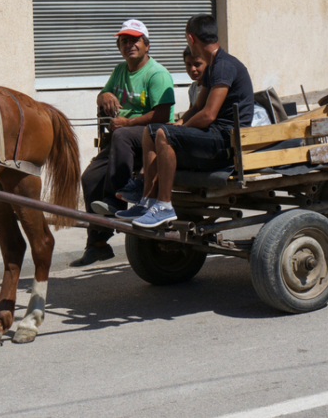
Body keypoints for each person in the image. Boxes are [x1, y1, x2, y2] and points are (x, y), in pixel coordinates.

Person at [117, 14, 254, 228]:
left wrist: (178, 130)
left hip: (226, 142)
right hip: (213, 136)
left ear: (191, 39)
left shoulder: (224, 65)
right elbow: (197, 107)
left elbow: (209, 114)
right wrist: (179, 125)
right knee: (152, 131)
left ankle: (164, 205)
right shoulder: (214, 64)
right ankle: (148, 200)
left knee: (163, 134)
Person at [72, 19, 175, 266]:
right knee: (89, 178)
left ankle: (116, 199)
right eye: (124, 41)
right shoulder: (120, 70)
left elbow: (162, 115)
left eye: (134, 40)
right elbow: (102, 95)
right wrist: (104, 96)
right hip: (123, 138)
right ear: (119, 46)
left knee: (119, 135)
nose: (129, 45)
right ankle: (98, 244)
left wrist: (127, 124)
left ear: (146, 45)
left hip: (152, 136)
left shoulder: (157, 74)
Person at [117, 46, 206, 205]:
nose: (192, 69)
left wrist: (182, 128)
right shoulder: (194, 88)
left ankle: (143, 185)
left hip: (202, 136)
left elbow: (203, 115)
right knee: (155, 133)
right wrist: (179, 123)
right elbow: (192, 111)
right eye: (188, 65)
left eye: (197, 64)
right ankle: (142, 184)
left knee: (161, 138)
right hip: (191, 132)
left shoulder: (210, 87)